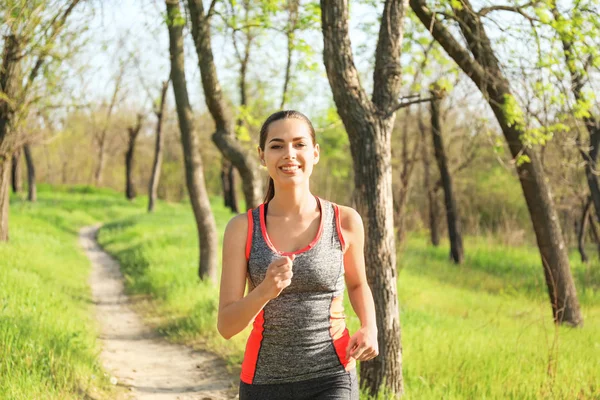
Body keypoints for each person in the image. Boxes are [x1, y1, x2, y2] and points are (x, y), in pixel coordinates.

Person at [218, 110, 378, 400]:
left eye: (299, 144)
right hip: (263, 382)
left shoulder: (344, 221)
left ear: (315, 153)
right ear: (262, 155)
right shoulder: (242, 229)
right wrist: (265, 290)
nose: (289, 154)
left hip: (333, 376)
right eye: (277, 146)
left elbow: (357, 284)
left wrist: (370, 327)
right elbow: (227, 326)